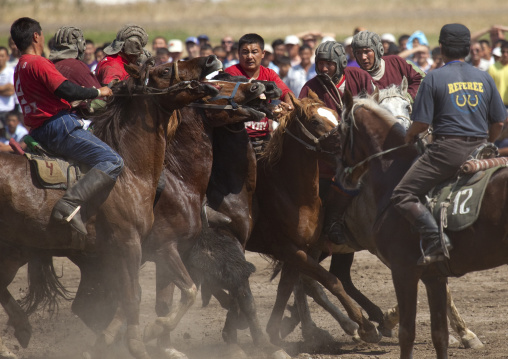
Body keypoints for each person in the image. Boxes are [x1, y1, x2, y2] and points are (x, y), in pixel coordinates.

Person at [391, 23, 506, 265]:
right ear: (467, 48)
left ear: (441, 48)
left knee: (402, 194)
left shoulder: (433, 78)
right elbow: (499, 122)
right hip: (481, 149)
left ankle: (435, 238)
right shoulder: (484, 77)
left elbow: (421, 124)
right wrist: (488, 142)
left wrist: (409, 136)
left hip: (446, 152)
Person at [10, 17, 122, 236]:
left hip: (38, 131)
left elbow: (50, 95)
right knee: (112, 160)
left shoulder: (19, 66)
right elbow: (67, 90)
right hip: (59, 127)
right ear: (36, 36)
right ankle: (70, 204)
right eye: (42, 35)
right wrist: (100, 92)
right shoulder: (38, 62)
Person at [299, 41, 373, 245]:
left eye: (329, 64)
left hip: (360, 152)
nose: (323, 68)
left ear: (341, 63)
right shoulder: (310, 87)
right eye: (320, 63)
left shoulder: (360, 77)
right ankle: (332, 222)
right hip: (327, 159)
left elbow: (373, 109)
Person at [225, 33, 292, 144]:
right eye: (245, 52)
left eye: (254, 52)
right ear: (238, 54)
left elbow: (286, 93)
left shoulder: (269, 74)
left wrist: (288, 107)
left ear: (262, 54)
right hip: (235, 139)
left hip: (264, 138)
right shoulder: (231, 73)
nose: (250, 56)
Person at [352, 30, 423, 100]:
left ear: (378, 50)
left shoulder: (396, 62)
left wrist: (407, 97)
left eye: (367, 51)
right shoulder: (356, 79)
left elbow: (422, 78)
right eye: (358, 53)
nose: (363, 57)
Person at [488, 40, 508, 109]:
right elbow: (489, 87)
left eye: (507, 52)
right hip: (498, 104)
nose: (505, 54)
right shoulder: (493, 68)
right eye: (503, 52)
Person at [0, 46, 16, 126]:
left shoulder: (11, 71)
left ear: (7, 57)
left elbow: (11, 91)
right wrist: (4, 88)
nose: (0, 58)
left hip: (7, 111)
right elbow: (8, 88)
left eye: (2, 56)